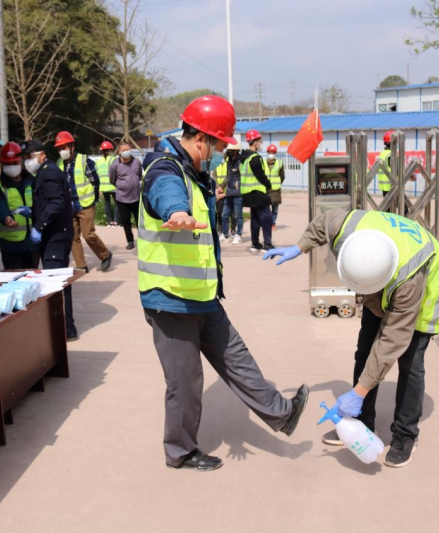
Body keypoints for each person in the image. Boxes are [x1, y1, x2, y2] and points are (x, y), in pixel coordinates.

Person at [139, 95, 309, 472]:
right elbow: (165, 190)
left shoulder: (195, 171)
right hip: (170, 299)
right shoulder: (164, 166)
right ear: (201, 138)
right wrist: (177, 210)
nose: (220, 153)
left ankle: (282, 414)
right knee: (185, 382)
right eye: (218, 145)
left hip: (202, 295)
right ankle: (181, 451)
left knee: (236, 356)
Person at [266, 208, 439, 467]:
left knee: (410, 364)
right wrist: (300, 247)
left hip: (425, 290)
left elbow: (390, 343)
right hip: (386, 285)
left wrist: (358, 391)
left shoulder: (406, 283)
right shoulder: (345, 229)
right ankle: (364, 422)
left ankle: (405, 434)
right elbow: (322, 223)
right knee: (365, 352)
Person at [22, 139, 78, 341]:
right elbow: (47, 203)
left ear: (41, 155)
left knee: (57, 282)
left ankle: (67, 328)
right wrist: (32, 213)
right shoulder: (43, 173)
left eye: (29, 156)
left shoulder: (49, 173)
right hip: (53, 234)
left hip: (56, 236)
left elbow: (56, 203)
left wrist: (39, 226)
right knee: (55, 280)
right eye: (25, 158)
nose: (27, 161)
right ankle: (62, 326)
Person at [54, 131, 113, 273]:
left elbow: (95, 182)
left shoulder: (85, 161)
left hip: (85, 204)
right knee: (73, 236)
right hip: (68, 207)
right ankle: (81, 265)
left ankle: (105, 254)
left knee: (88, 235)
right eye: (59, 148)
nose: (62, 151)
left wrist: (94, 199)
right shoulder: (59, 163)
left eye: (64, 147)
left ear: (72, 146)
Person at [0, 141, 39, 269]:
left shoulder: (32, 180)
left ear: (21, 161)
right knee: (14, 278)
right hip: (11, 245)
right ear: (2, 164)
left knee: (33, 276)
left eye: (15, 163)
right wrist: (6, 217)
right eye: (8, 164)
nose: (12, 167)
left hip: (33, 242)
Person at [239, 129, 273, 252]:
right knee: (266, 218)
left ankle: (255, 243)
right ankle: (267, 244)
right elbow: (260, 176)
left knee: (255, 219)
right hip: (258, 193)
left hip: (247, 193)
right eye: (260, 141)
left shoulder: (244, 158)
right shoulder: (254, 158)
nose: (261, 143)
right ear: (255, 142)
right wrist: (268, 184)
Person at [108, 142, 142, 250]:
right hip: (122, 198)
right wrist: (122, 186)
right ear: (119, 152)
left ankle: (142, 240)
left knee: (140, 221)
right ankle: (130, 241)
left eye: (128, 149)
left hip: (136, 197)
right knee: (126, 221)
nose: (126, 152)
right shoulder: (115, 164)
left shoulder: (137, 161)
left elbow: (139, 176)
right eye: (123, 150)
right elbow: (112, 179)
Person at [220, 141, 243, 243]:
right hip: (228, 193)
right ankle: (224, 234)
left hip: (238, 194)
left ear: (236, 151)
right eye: (228, 150)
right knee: (224, 216)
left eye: (231, 151)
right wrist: (222, 186)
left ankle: (238, 235)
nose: (229, 152)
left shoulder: (241, 162)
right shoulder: (228, 162)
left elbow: (243, 177)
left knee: (238, 216)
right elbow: (228, 176)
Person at [97, 141, 118, 226]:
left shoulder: (98, 161)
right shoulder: (113, 159)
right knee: (117, 203)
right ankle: (116, 221)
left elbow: (97, 173)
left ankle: (109, 221)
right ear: (110, 150)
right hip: (113, 185)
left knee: (107, 203)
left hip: (103, 186)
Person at [264, 144, 285, 230]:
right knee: (266, 208)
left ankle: (273, 223)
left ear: (275, 153)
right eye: (270, 152)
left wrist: (278, 183)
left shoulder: (279, 163)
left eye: (273, 152)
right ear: (267, 152)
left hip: (276, 189)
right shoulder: (263, 163)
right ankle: (267, 223)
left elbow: (282, 176)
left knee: (275, 209)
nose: (271, 154)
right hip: (266, 189)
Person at [377, 131, 393, 196]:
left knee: (387, 202)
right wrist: (411, 176)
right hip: (393, 187)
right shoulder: (391, 154)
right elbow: (397, 170)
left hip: (384, 187)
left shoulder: (382, 154)